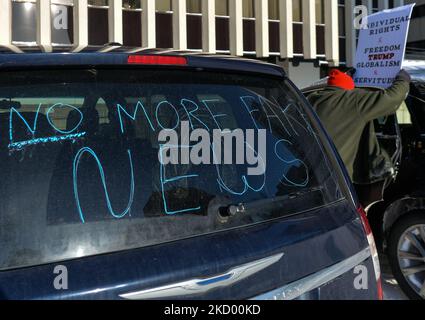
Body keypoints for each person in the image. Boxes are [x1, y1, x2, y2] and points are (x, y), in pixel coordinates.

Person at [307, 69, 411, 181]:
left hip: (309, 173)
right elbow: (391, 99)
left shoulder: (312, 99)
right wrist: (403, 80)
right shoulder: (353, 100)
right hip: (337, 180)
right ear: (349, 88)